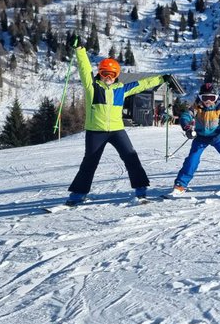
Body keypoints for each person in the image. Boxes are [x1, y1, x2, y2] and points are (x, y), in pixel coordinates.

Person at [65, 34, 172, 204]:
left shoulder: (121, 89)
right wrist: (80, 50)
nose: (108, 77)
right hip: (96, 131)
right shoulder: (92, 87)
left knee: (131, 156)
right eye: (105, 73)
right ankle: (78, 194)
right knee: (90, 163)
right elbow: (85, 68)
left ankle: (141, 188)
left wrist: (161, 78)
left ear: (116, 75)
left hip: (117, 130)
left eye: (112, 74)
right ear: (100, 73)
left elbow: (142, 84)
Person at [168, 83, 220, 196]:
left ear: (216, 98)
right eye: (205, 98)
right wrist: (187, 128)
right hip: (200, 138)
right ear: (200, 97)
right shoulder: (196, 107)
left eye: (212, 98)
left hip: (216, 137)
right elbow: (185, 116)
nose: (208, 101)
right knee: (192, 159)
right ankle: (180, 184)